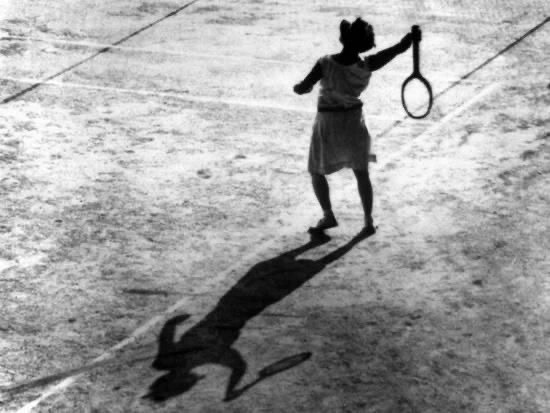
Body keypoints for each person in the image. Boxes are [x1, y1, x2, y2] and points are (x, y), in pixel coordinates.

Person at [294, 17, 413, 236]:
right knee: (361, 174)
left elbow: (303, 87)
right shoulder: (367, 65)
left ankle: (328, 215)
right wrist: (409, 40)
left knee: (316, 171)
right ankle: (368, 221)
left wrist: (300, 88)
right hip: (354, 124)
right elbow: (396, 50)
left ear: (343, 39)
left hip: (328, 125)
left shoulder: (324, 63)